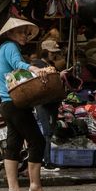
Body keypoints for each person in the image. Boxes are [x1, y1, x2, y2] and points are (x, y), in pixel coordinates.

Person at [0, 16, 56, 191]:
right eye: (21, 32)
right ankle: (35, 188)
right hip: (16, 104)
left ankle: (14, 189)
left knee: (13, 145)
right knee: (37, 141)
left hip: (7, 105)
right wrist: (35, 69)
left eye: (26, 33)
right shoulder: (10, 47)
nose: (25, 35)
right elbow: (17, 65)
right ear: (11, 33)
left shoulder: (1, 50)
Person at [32, 40, 63, 172]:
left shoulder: (50, 64)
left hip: (52, 102)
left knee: (49, 131)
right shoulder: (38, 65)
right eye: (51, 52)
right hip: (43, 103)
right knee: (46, 133)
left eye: (55, 53)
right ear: (45, 52)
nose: (53, 55)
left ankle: (47, 160)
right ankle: (46, 161)